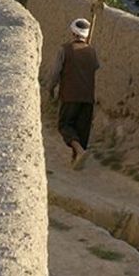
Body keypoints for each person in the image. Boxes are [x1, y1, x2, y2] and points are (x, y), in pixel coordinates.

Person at [49, 18, 99, 169]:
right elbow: (95, 67)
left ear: (72, 32)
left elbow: (55, 72)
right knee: (82, 130)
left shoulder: (65, 50)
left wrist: (51, 88)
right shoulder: (92, 51)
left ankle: (78, 151)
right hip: (88, 97)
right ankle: (77, 159)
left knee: (65, 125)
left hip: (70, 95)